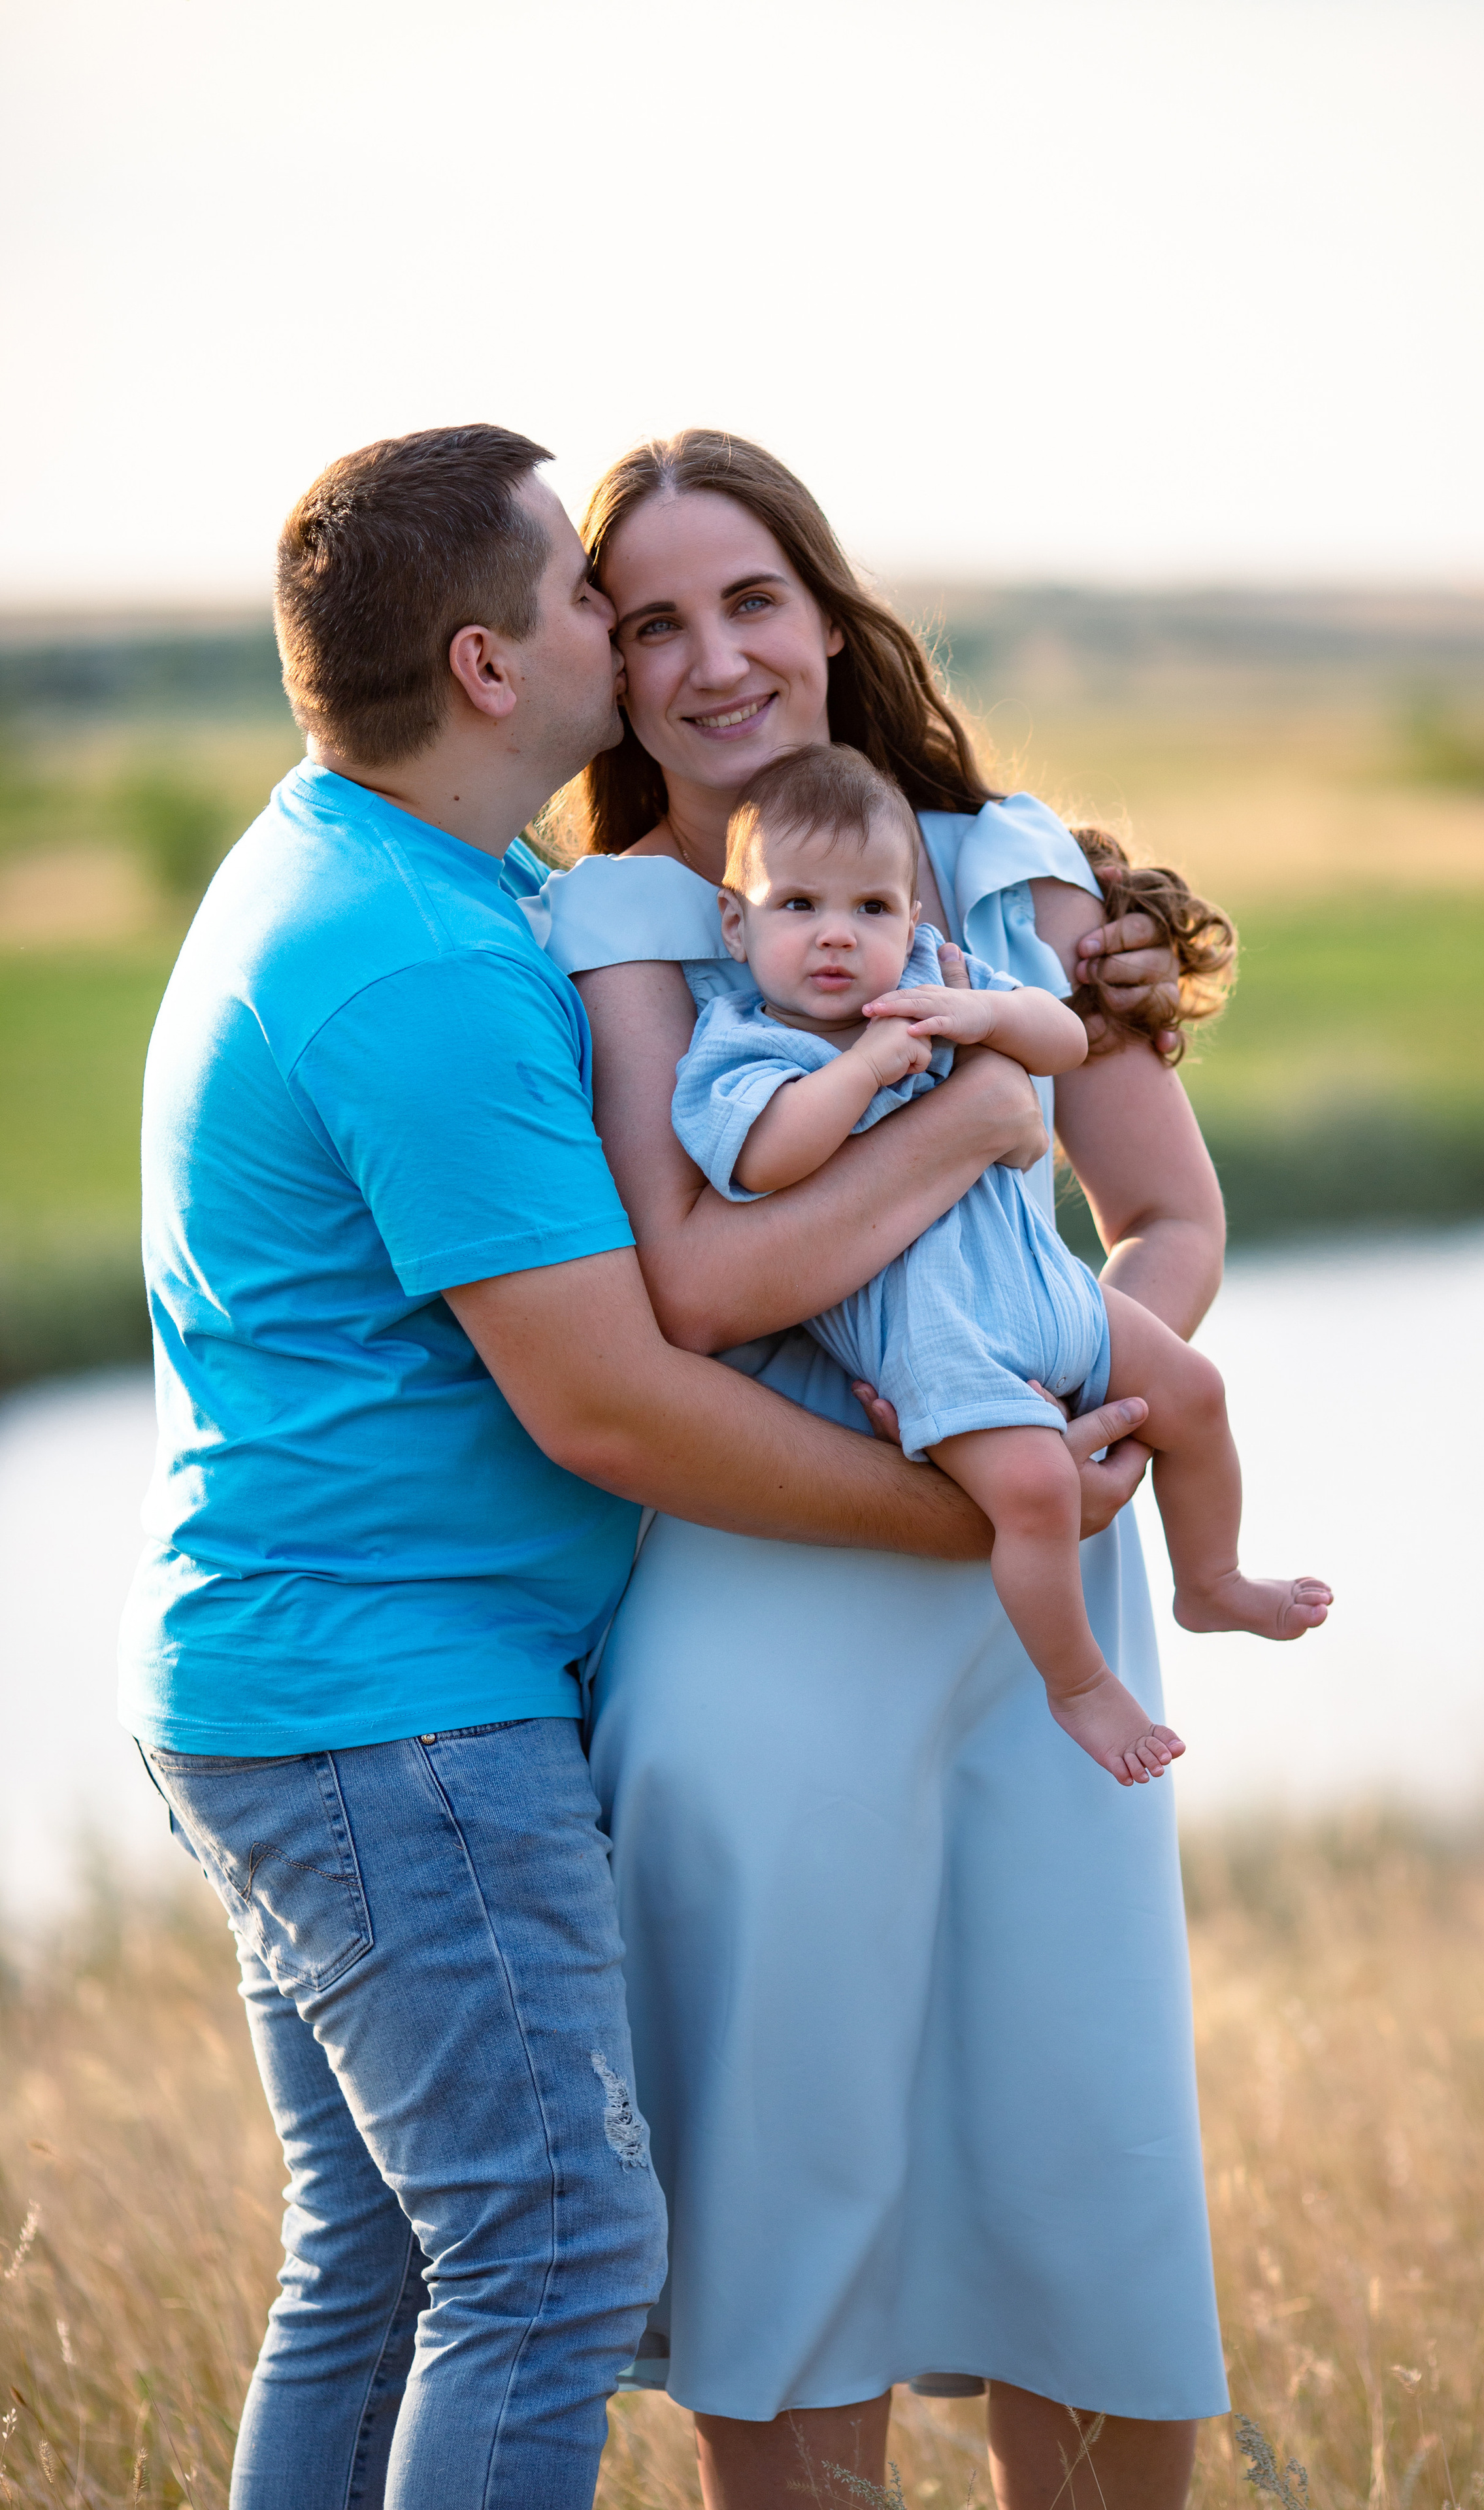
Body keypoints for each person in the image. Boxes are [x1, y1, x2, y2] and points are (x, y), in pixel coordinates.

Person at [118, 424, 1144, 2510]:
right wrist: (974, 1504)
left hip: (311, 1676)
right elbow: (608, 1397)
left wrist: (1091, 943)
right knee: (550, 2259)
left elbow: (782, 919)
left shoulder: (417, 866)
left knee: (389, 2267)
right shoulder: (411, 953)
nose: (643, 639)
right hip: (400, 1704)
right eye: (598, 601)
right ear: (498, 668)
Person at [529, 428, 1248, 2510]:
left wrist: (1108, 1413)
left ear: (831, 618)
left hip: (1050, 1615)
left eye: (752, 598)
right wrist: (969, 1124)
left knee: (1086, 2176)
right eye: (650, 620)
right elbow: (697, 1283)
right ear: (602, 665)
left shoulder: (1010, 867)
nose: (714, 659)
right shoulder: (624, 925)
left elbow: (1173, 1231)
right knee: (791, 2205)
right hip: (763, 1612)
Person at [672, 742, 1331, 1784]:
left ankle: (1210, 1578)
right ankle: (1078, 1684)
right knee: (1032, 1488)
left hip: (1045, 1288)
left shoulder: (938, 975)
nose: (838, 936)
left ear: (909, 914)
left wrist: (989, 1014)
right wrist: (869, 1068)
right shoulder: (744, 1047)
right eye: (798, 906)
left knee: (1193, 1390)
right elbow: (766, 1156)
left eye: (872, 909)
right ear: (736, 924)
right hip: (929, 1335)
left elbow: (1064, 1043)